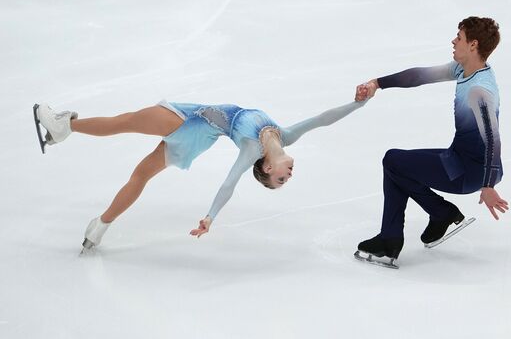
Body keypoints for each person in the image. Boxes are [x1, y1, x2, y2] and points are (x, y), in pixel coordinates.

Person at [33, 98, 368, 252]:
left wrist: (210, 217)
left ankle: (64, 126)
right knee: (141, 174)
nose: (289, 176)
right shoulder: (285, 135)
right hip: (198, 139)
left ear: (267, 167)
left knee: (127, 121)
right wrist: (358, 105)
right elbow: (324, 118)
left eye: (280, 179)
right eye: (286, 179)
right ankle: (100, 226)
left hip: (192, 120)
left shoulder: (253, 148)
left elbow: (228, 183)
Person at [354, 16, 509, 267]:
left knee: (393, 161)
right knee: (397, 166)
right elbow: (420, 76)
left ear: (473, 45)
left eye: (459, 37)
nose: (453, 40)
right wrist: (378, 84)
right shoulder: (465, 69)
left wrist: (488, 185)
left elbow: (493, 137)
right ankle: (433, 217)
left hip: (471, 172)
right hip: (459, 158)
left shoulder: (480, 90)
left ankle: (397, 235)